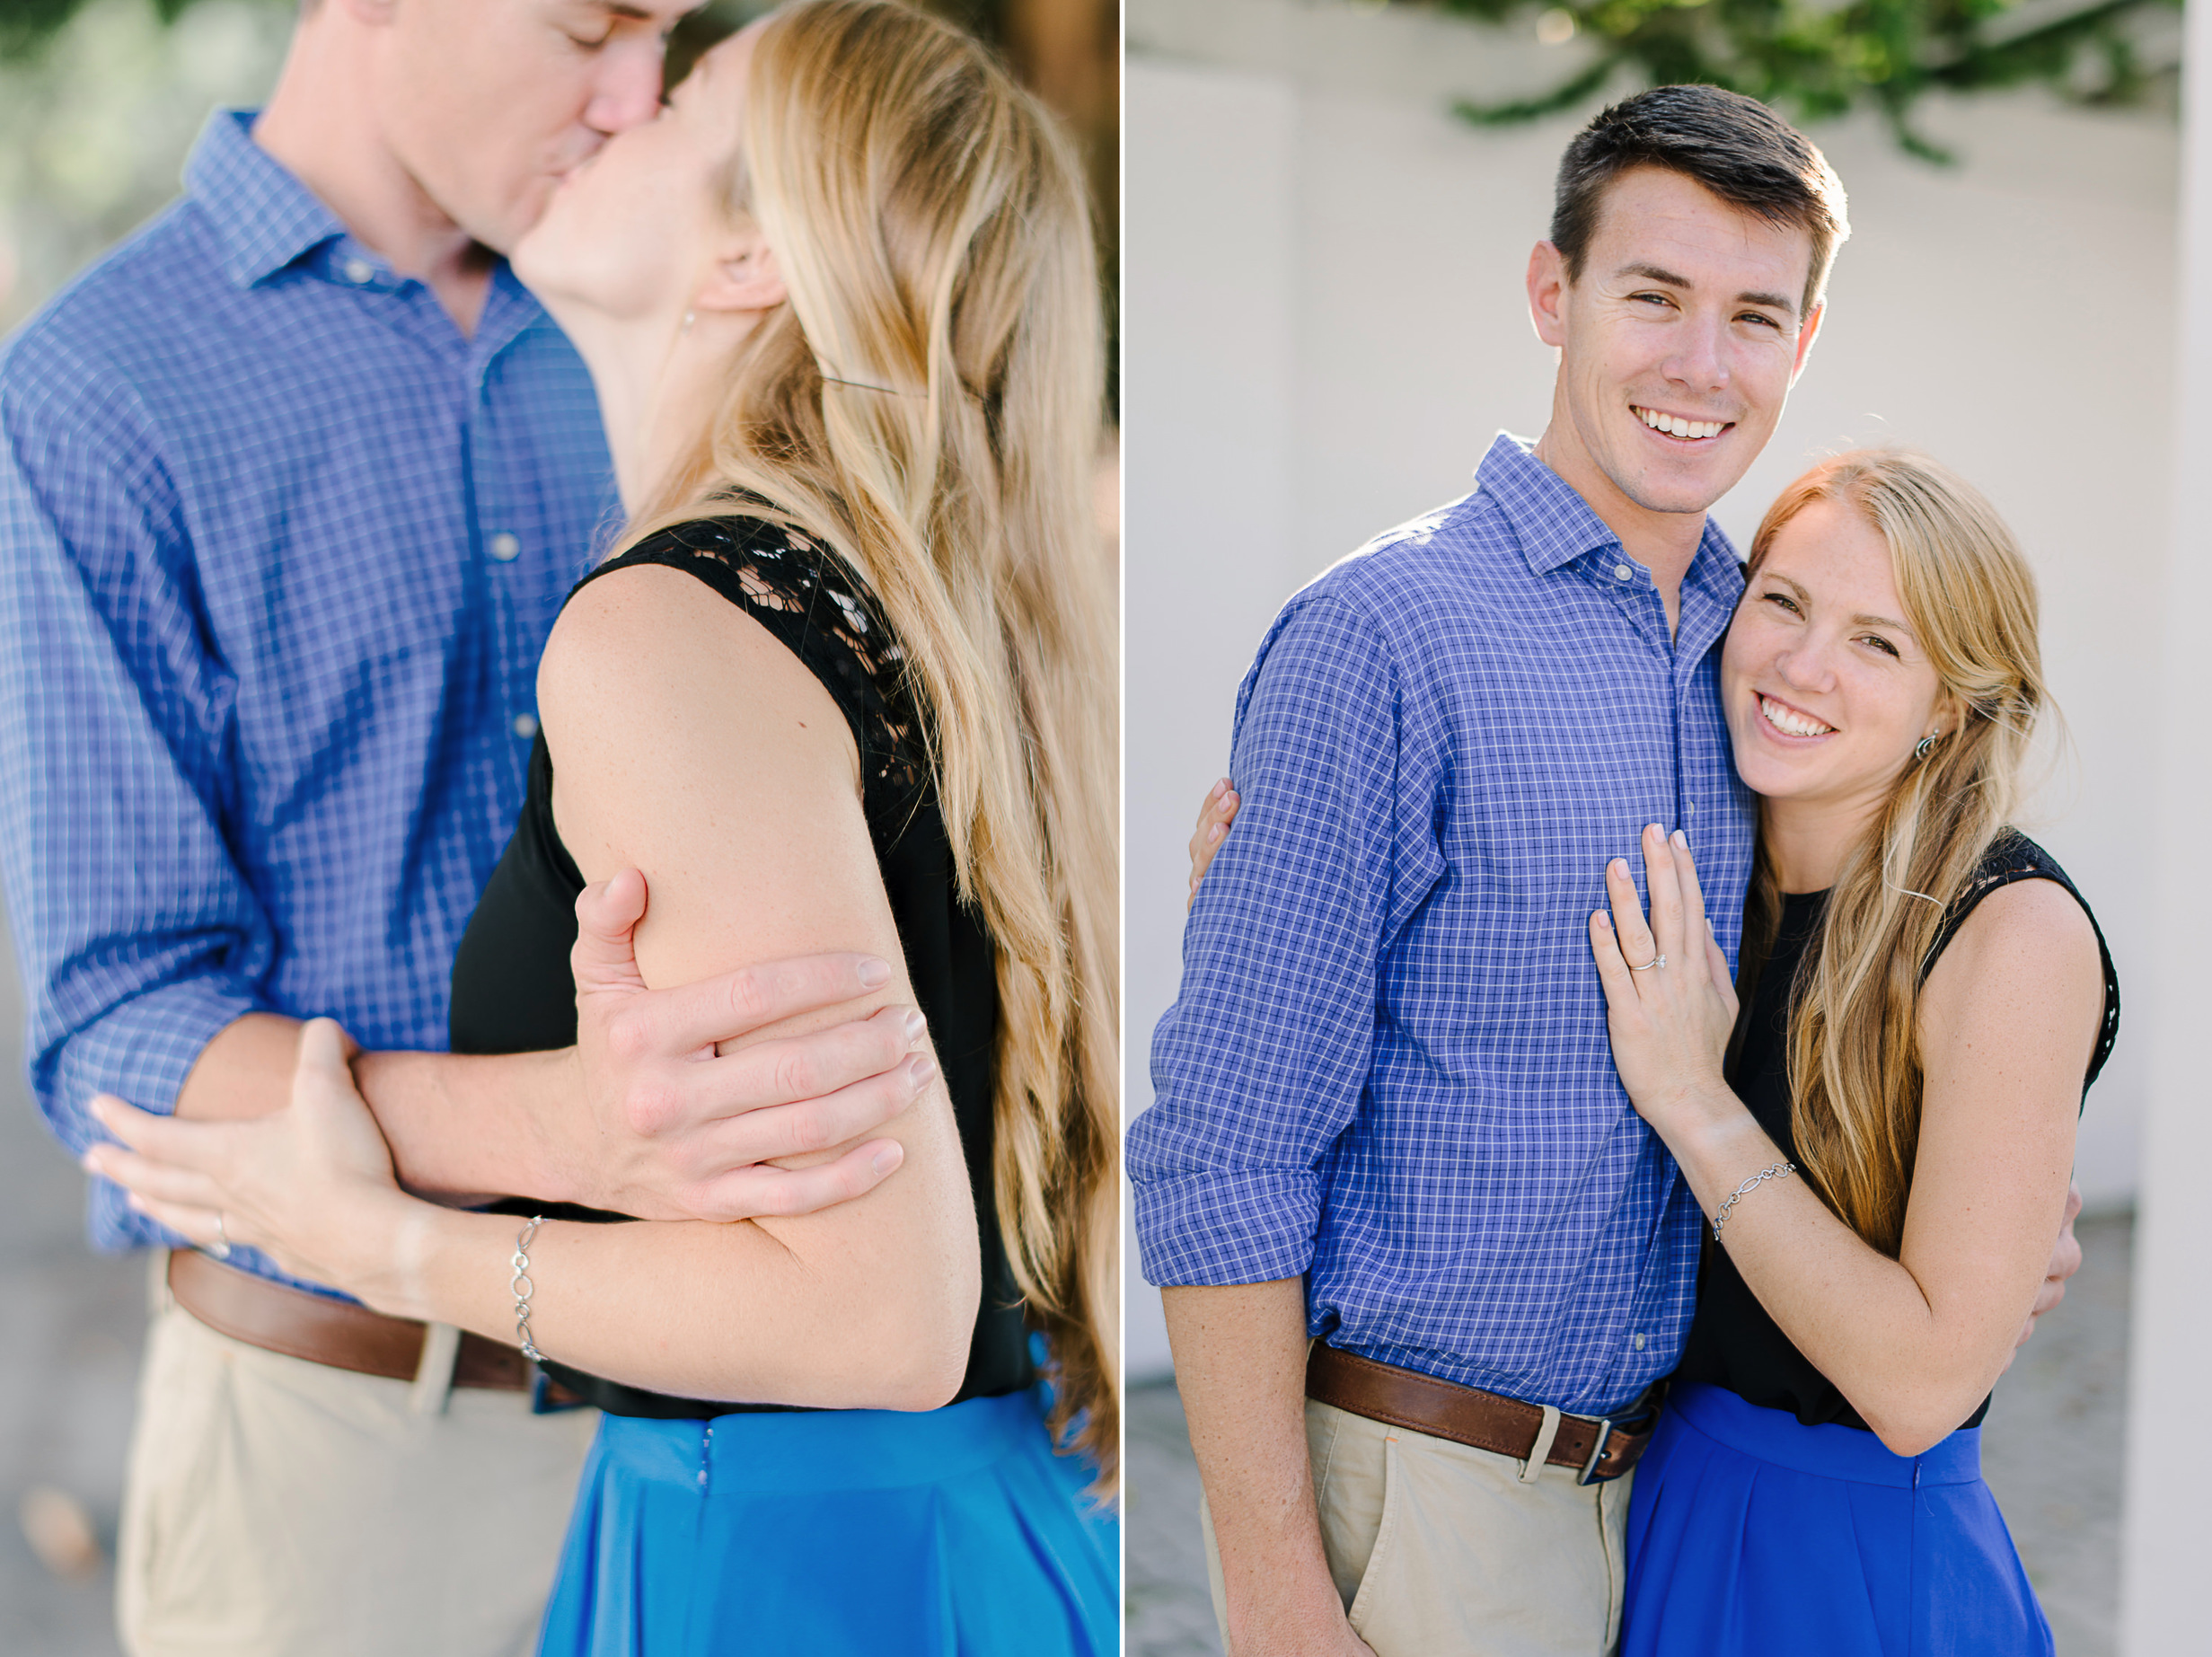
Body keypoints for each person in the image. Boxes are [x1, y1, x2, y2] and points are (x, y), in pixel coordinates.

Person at [85, 4, 1120, 1653]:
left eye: (684, 85)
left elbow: (874, 1307)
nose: (622, 99)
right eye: (602, 34)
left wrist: (397, 1242)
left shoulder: (675, 628)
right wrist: (563, 1136)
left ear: (748, 261)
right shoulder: (872, 607)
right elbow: (111, 1015)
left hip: (789, 1541)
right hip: (853, 1514)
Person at [1130, 84, 2078, 1657]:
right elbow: (1224, 1146)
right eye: (1655, 296)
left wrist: (1978, 1206)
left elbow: (1834, 995)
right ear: (1552, 294)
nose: (1702, 365)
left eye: (1754, 316)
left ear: (1804, 343)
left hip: (1658, 1512)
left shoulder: (1755, 655)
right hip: (1431, 1496)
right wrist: (1274, 1588)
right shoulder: (1387, 636)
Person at [1591, 452, 2110, 1654]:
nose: (1802, 666)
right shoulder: (1701, 873)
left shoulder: (2008, 930)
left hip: (1852, 1575)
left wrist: (1694, 1102)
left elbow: (1923, 1384)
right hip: (1653, 1515)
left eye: (1879, 641)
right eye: (1784, 602)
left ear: (1949, 704)